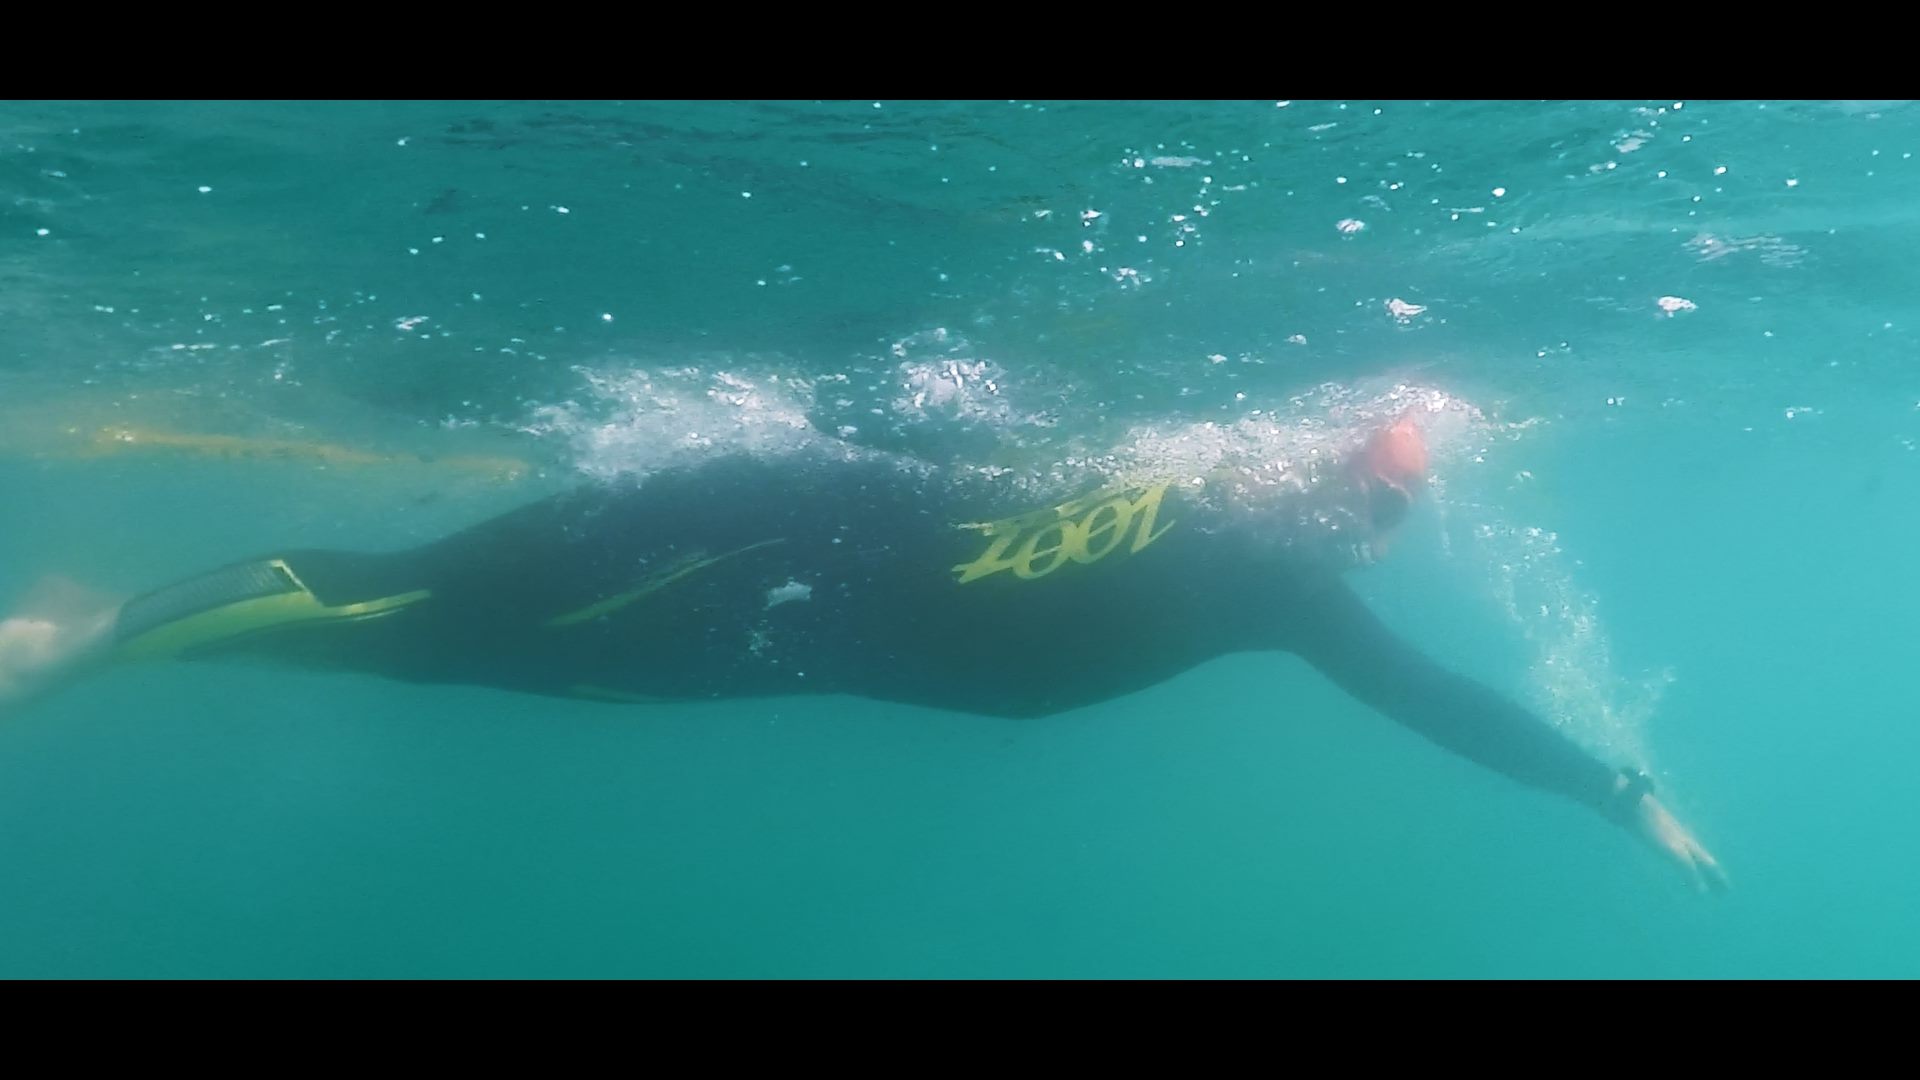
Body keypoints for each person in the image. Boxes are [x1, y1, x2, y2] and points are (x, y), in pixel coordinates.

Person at [0, 413, 1728, 892]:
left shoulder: (1255, 560)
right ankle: (81, 645)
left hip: (763, 623)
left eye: (1354, 514)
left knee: (435, 644)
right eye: (1357, 507)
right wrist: (1620, 794)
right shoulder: (1225, 529)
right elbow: (1435, 700)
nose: (1344, 535)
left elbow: (1441, 704)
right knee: (419, 609)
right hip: (745, 553)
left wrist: (1617, 791)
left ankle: (117, 645)